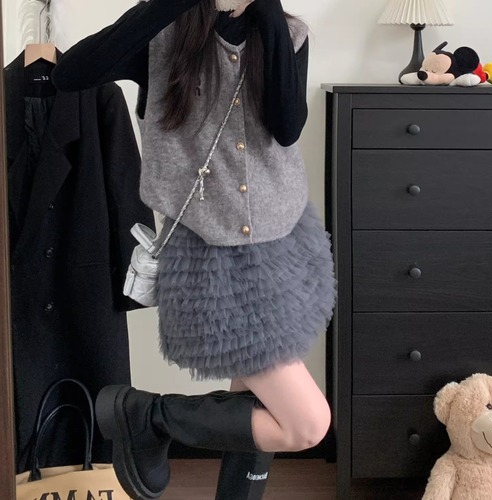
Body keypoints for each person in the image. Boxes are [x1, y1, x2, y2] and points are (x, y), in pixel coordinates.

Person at [52, 0, 336, 498]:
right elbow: (72, 73)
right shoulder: (165, 31)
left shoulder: (287, 32)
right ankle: (146, 415)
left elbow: (288, 126)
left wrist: (267, 11)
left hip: (284, 243)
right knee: (307, 424)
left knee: (254, 401)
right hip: (211, 256)